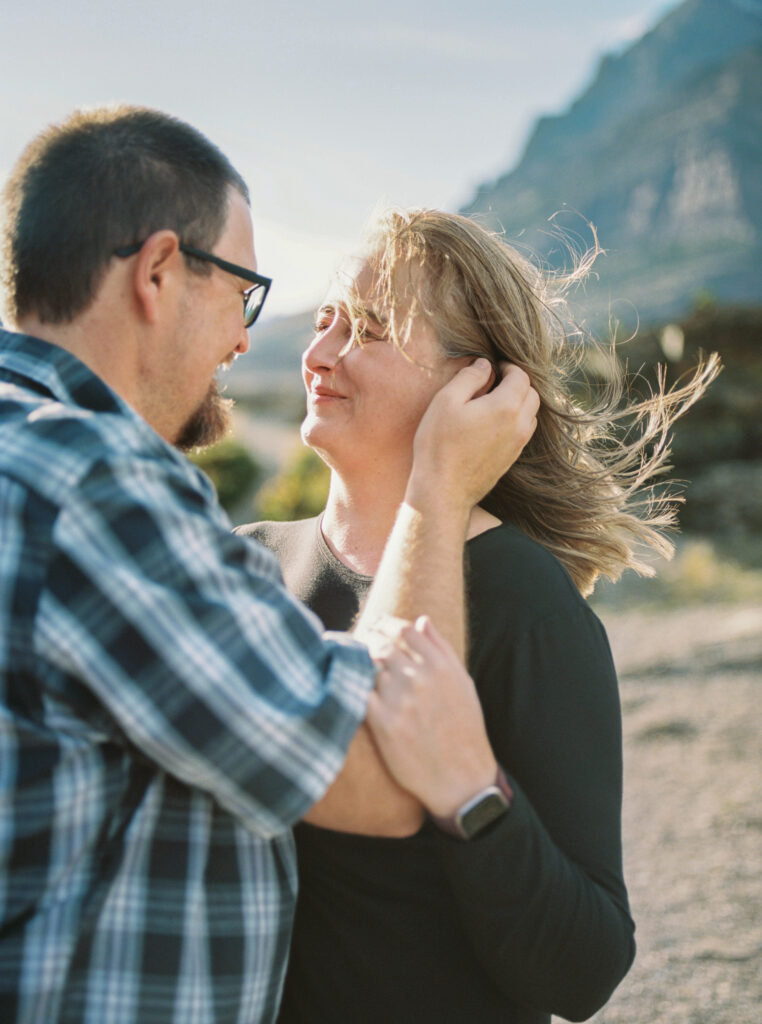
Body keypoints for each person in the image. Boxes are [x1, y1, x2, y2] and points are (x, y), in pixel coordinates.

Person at [0, 109, 540, 1024]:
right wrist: (437, 492)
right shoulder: (94, 485)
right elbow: (376, 765)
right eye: (242, 290)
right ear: (159, 273)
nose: (248, 341)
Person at [240, 208, 720, 1023]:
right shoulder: (239, 562)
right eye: (327, 321)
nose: (320, 355)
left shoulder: (523, 600)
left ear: (477, 387)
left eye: (371, 329)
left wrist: (474, 796)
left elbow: (585, 972)